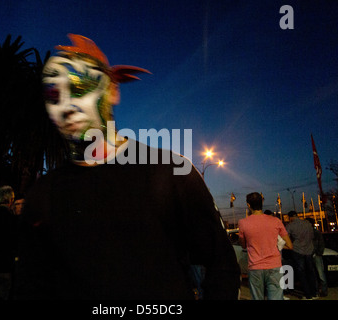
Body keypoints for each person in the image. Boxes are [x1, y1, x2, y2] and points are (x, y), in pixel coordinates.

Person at [13, 34, 241, 300]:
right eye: (53, 95)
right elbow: (29, 286)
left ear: (112, 90)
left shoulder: (170, 171)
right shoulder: (42, 195)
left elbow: (222, 265)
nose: (65, 107)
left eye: (79, 88)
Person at [238, 192, 293, 300]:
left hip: (255, 267)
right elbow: (290, 245)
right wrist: (276, 246)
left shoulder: (243, 223)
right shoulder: (276, 221)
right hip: (274, 266)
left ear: (248, 205)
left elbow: (243, 245)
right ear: (262, 202)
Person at [286, 211, 318, 300]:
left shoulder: (290, 226)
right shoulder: (307, 224)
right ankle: (314, 292)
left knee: (302, 273)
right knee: (311, 272)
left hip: (297, 250)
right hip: (309, 250)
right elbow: (312, 236)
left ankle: (308, 295)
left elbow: (286, 237)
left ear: (290, 217)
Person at [306, 218, 328, 297]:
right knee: (315, 273)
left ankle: (323, 290)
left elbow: (321, 243)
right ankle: (317, 290)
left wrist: (319, 253)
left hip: (315, 254)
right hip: (310, 254)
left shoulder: (316, 232)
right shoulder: (308, 232)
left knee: (320, 273)